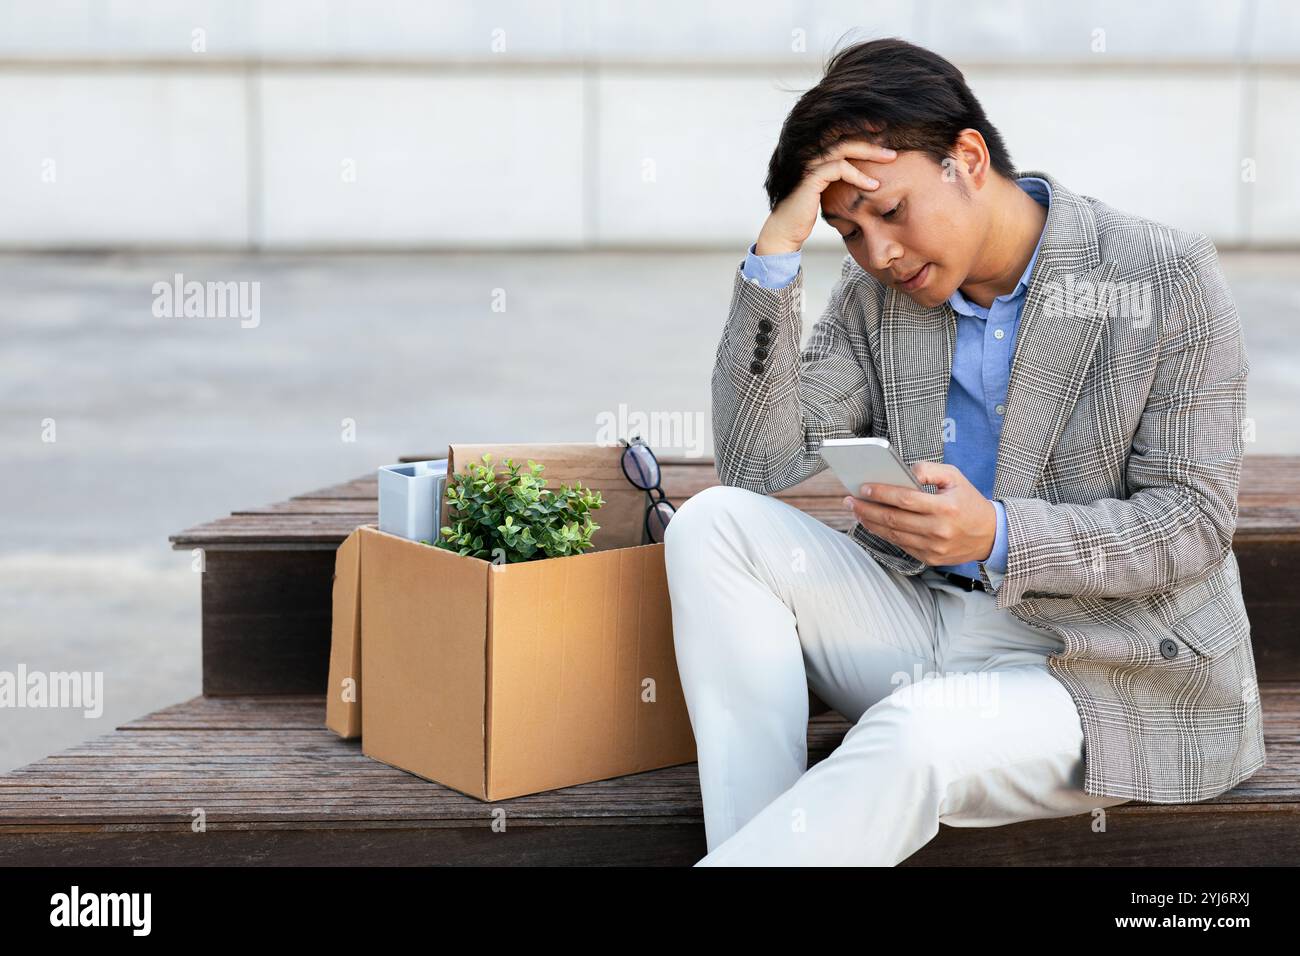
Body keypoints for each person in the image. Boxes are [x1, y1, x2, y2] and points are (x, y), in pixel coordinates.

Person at [663, 37, 1265, 866]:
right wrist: (774, 258)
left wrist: (998, 536)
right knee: (715, 524)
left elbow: (1192, 523)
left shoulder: (1163, 276)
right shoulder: (877, 295)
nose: (878, 252)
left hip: (1106, 669)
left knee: (916, 735)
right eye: (846, 231)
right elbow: (758, 467)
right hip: (924, 627)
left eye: (891, 211)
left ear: (967, 159)